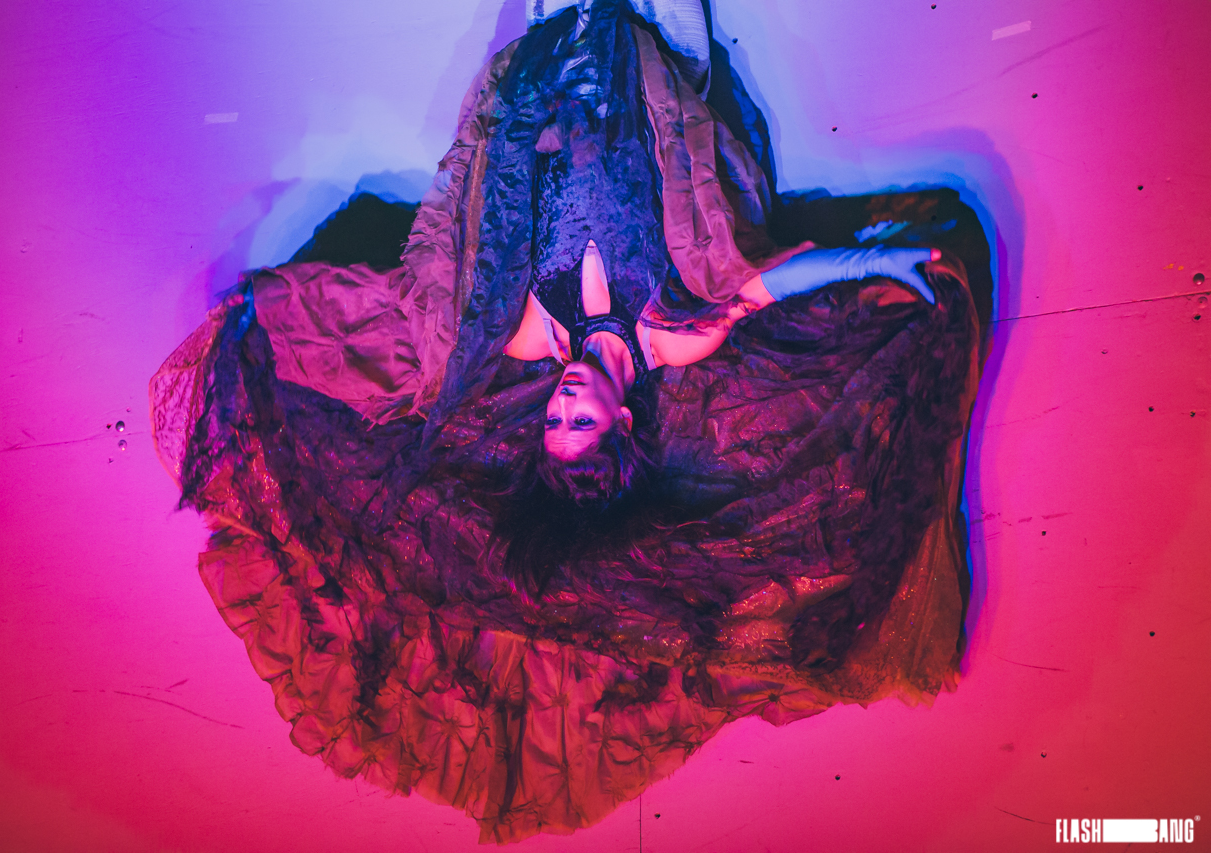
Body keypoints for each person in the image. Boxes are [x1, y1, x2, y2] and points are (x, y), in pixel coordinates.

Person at [150, 0, 980, 842]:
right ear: (622, 423)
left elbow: (409, 320)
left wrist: (275, 319)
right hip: (657, 72)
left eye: (553, 414)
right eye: (579, 417)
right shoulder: (670, 336)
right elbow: (764, 285)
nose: (564, 396)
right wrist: (874, 257)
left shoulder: (535, 335)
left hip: (557, 79)